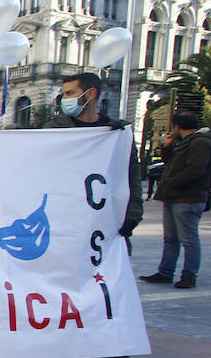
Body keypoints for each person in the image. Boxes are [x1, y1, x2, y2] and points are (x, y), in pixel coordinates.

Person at [45, 72, 144, 241]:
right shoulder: (53, 130)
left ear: (90, 94)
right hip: (65, 219)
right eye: (63, 95)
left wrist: (132, 215)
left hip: (104, 219)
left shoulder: (117, 133)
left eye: (70, 93)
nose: (64, 100)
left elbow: (131, 176)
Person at [140, 111, 211, 289]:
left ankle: (189, 275)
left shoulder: (200, 142)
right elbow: (173, 164)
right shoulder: (188, 142)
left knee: (188, 239)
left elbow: (195, 170)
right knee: (171, 238)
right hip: (175, 197)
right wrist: (167, 147)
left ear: (177, 126)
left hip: (187, 197)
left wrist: (171, 182)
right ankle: (166, 271)